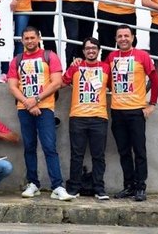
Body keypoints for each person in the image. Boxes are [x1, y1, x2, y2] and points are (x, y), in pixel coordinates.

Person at [7, 26, 75, 201]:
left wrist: (35, 100)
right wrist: (28, 103)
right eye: (26, 38)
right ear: (22, 40)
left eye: (32, 38)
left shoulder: (50, 56)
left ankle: (57, 186)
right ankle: (33, 184)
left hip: (45, 108)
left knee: (49, 147)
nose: (29, 41)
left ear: (39, 38)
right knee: (29, 147)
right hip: (24, 109)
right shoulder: (17, 60)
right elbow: (13, 86)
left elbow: (57, 82)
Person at [108, 25, 158, 201]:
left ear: (132, 37)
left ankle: (140, 187)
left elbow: (154, 78)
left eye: (126, 35)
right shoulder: (111, 57)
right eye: (120, 36)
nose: (123, 38)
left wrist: (152, 104)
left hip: (136, 111)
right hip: (117, 111)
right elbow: (105, 77)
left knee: (139, 151)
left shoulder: (142, 55)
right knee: (123, 152)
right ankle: (128, 186)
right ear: (116, 39)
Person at [61, 37, 112, 200]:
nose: (91, 51)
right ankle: (74, 188)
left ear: (98, 50)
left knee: (99, 155)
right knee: (77, 155)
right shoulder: (76, 67)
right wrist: (71, 65)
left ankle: (99, 188)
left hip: (99, 117)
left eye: (94, 48)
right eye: (88, 48)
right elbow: (63, 82)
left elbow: (112, 86)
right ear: (83, 51)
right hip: (78, 117)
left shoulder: (106, 68)